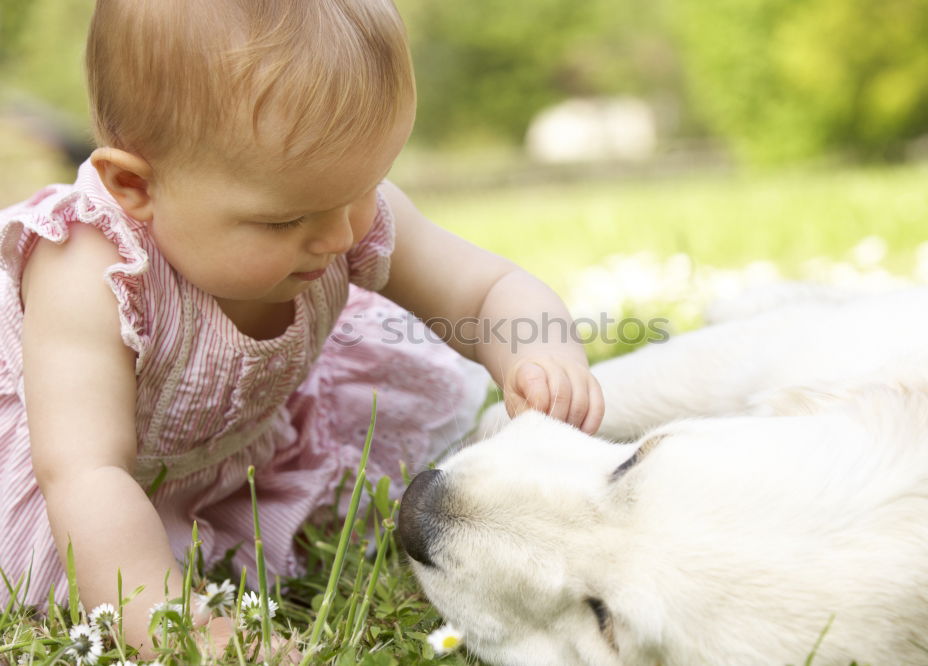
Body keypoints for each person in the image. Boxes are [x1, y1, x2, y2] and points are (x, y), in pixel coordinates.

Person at [0, 0, 604, 653]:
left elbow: (486, 290)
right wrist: (169, 623)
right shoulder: (87, 268)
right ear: (134, 186)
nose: (341, 236)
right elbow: (86, 474)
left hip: (235, 449)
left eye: (364, 189)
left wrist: (541, 355)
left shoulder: (334, 212)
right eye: (286, 221)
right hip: (82, 479)